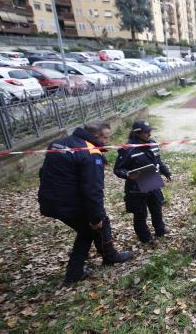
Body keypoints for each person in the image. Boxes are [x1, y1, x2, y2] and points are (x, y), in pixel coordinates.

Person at [38, 120, 133, 286]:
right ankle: (108, 258)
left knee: (87, 230)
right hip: (69, 202)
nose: (107, 141)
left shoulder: (58, 143)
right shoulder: (91, 153)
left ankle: (77, 272)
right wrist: (96, 217)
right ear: (96, 136)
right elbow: (93, 190)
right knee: (99, 224)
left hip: (49, 199)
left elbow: (43, 171)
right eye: (106, 138)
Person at [113, 120, 172, 243]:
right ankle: (145, 238)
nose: (149, 135)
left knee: (157, 208)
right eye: (146, 132)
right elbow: (118, 169)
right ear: (137, 134)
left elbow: (158, 160)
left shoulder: (153, 144)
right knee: (140, 214)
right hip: (136, 186)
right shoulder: (128, 149)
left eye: (150, 132)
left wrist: (166, 172)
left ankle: (160, 230)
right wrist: (128, 174)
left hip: (152, 181)